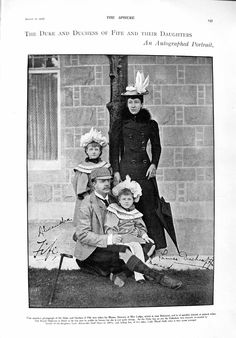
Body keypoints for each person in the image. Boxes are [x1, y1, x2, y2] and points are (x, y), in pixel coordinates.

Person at [73, 167, 182, 289]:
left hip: (116, 244)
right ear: (93, 184)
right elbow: (82, 234)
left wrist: (142, 235)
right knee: (125, 251)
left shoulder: (115, 198)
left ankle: (121, 273)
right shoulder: (87, 203)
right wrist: (109, 239)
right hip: (92, 251)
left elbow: (133, 218)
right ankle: (158, 277)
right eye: (102, 181)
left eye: (108, 180)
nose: (107, 184)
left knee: (147, 246)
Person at [110, 71, 167, 251]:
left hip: (145, 170)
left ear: (142, 103)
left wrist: (154, 164)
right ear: (127, 104)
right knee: (128, 206)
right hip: (127, 170)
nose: (133, 105)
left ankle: (156, 247)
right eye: (130, 102)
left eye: (136, 102)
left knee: (150, 208)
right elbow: (114, 150)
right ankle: (131, 247)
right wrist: (117, 171)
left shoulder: (151, 124)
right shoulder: (119, 124)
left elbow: (157, 147)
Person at [104, 175, 155, 284]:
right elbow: (110, 226)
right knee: (136, 246)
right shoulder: (114, 210)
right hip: (121, 237)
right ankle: (140, 275)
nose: (126, 201)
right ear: (119, 200)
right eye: (124, 199)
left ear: (133, 200)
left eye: (129, 199)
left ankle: (144, 270)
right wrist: (113, 236)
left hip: (133, 236)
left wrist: (144, 235)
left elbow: (139, 226)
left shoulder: (134, 212)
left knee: (148, 244)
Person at [72, 127, 110, 226]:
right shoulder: (83, 168)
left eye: (96, 149)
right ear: (87, 151)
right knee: (88, 217)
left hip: (103, 195)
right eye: (91, 149)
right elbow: (81, 189)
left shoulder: (105, 166)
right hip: (88, 197)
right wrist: (91, 198)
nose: (94, 152)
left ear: (100, 151)